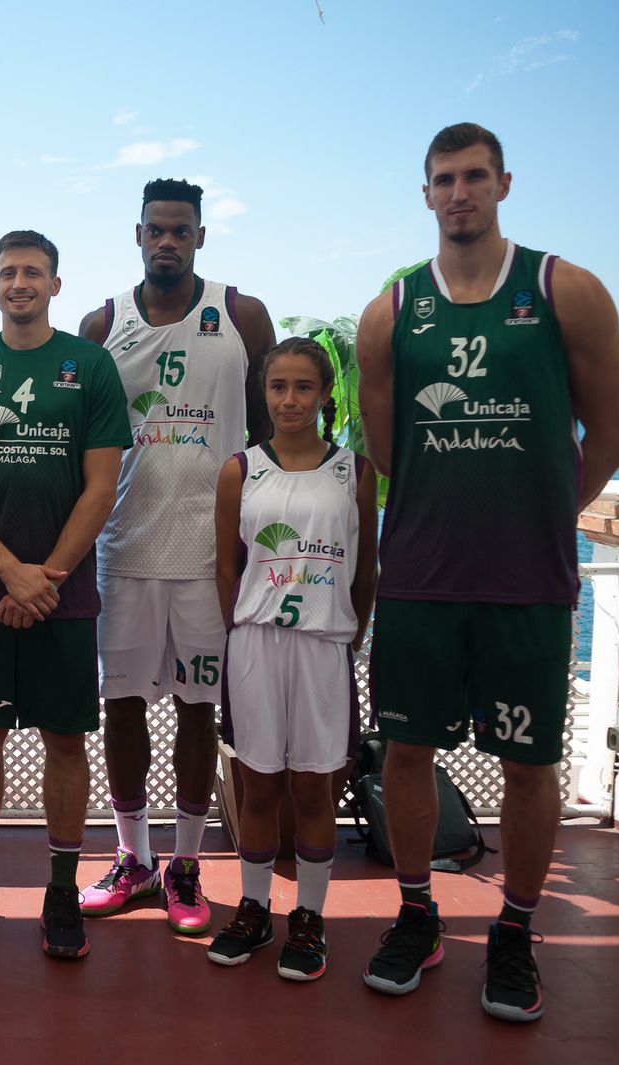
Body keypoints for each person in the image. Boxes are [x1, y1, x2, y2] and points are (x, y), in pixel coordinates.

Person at [355, 122, 619, 1021]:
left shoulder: (567, 291)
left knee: (527, 763)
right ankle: (417, 913)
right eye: (444, 179)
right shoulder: (391, 311)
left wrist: (545, 510)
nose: (460, 192)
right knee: (406, 751)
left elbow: (617, 432)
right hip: (422, 577)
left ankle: (514, 929)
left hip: (527, 580)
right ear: (425, 194)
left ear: (504, 184)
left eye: (475, 176)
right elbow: (391, 451)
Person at [76, 178, 275, 934]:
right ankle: (134, 857)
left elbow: (267, 427)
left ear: (200, 236)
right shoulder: (104, 321)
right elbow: (82, 437)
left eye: (181, 230)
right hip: (123, 548)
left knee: (199, 710)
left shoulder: (242, 313)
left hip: (210, 554)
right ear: (137, 235)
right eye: (156, 230)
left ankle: (185, 864)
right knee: (121, 707)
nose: (168, 241)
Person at [0, 231, 130, 958]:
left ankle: (60, 890)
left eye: (33, 273)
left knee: (65, 740)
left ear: (55, 284)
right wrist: (10, 573)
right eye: (8, 272)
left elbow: (101, 486)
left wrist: (43, 575)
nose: (20, 283)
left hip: (63, 595)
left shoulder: (92, 365)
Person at [206, 337, 377, 980]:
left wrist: (351, 630)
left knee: (314, 786)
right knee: (258, 783)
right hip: (255, 642)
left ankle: (309, 916)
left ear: (326, 393)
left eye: (304, 387)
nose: (289, 399)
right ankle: (253, 907)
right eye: (278, 386)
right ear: (264, 392)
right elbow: (227, 566)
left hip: (323, 646)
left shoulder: (352, 472)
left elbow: (368, 569)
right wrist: (240, 627)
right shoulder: (241, 470)